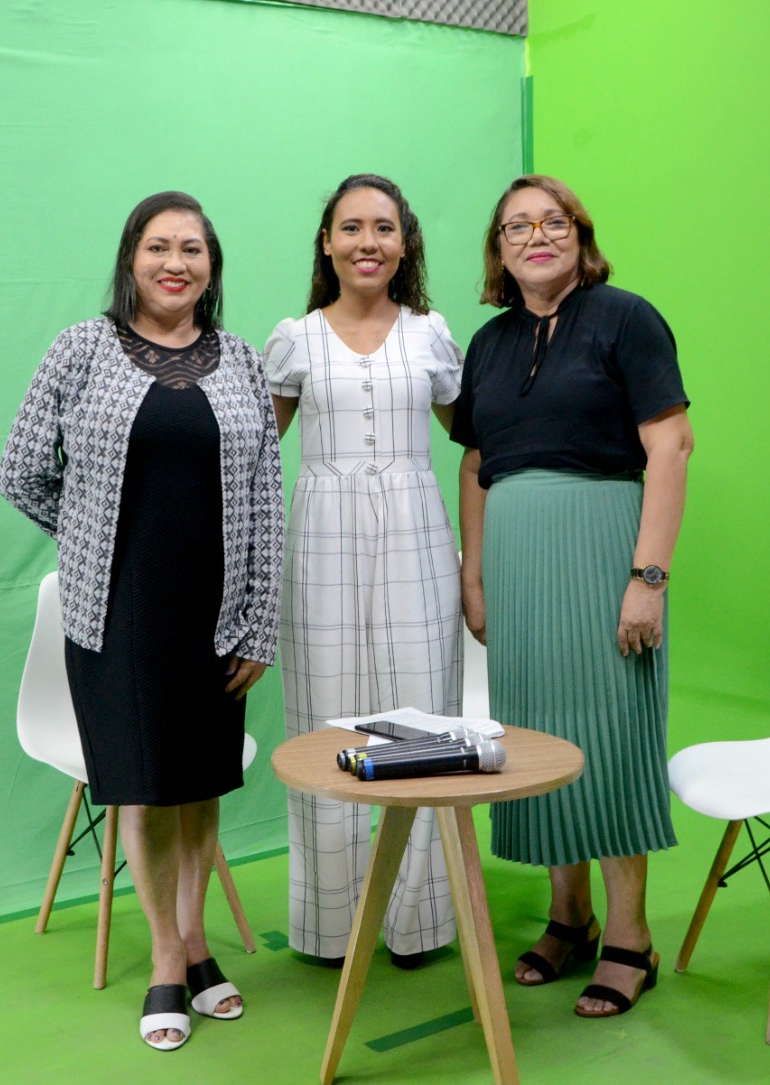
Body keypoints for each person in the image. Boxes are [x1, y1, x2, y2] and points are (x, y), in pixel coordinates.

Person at [0, 191, 284, 1051]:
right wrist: (89, 537)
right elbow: (21, 470)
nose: (176, 262)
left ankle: (198, 944)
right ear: (131, 260)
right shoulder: (83, 348)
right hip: (116, 611)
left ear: (211, 266)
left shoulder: (238, 359)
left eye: (193, 249)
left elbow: (266, 495)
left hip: (217, 608)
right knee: (147, 789)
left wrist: (258, 622)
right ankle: (166, 956)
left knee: (199, 789)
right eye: (159, 246)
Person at [450, 175, 694, 1019]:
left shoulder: (626, 318)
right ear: (499, 249)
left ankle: (630, 937)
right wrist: (473, 574)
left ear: (580, 238)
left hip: (601, 549)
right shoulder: (487, 345)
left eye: (552, 222)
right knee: (540, 736)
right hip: (517, 563)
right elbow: (477, 462)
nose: (535, 236)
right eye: (516, 226)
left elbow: (671, 447)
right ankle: (570, 916)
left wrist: (647, 577)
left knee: (612, 733)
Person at [264, 174, 463, 970]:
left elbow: (477, 439)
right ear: (327, 241)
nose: (367, 242)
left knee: (424, 719)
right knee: (326, 721)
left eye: (383, 228)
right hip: (319, 539)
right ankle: (329, 923)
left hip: (418, 532)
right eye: (351, 227)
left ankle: (417, 920)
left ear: (404, 242)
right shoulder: (294, 338)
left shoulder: (431, 334)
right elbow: (250, 455)